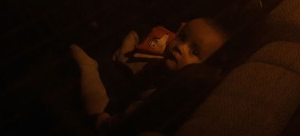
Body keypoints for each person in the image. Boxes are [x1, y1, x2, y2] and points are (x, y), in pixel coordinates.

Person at [70, 17, 230, 134]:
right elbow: (131, 87)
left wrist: (106, 121)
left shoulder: (177, 92)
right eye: (182, 37)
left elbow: (135, 118)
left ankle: (88, 67)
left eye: (194, 51)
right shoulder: (158, 65)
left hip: (118, 125)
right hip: (120, 108)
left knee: (95, 97)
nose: (180, 47)